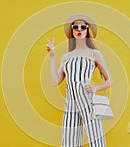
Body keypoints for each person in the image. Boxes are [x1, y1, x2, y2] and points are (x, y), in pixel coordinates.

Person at [46, 14, 113, 147]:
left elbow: (110, 80)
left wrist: (95, 88)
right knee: (69, 141)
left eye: (83, 26)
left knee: (96, 140)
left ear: (87, 30)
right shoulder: (66, 56)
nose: (79, 29)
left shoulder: (94, 53)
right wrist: (52, 57)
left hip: (87, 98)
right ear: (72, 31)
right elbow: (55, 82)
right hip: (70, 101)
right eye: (75, 27)